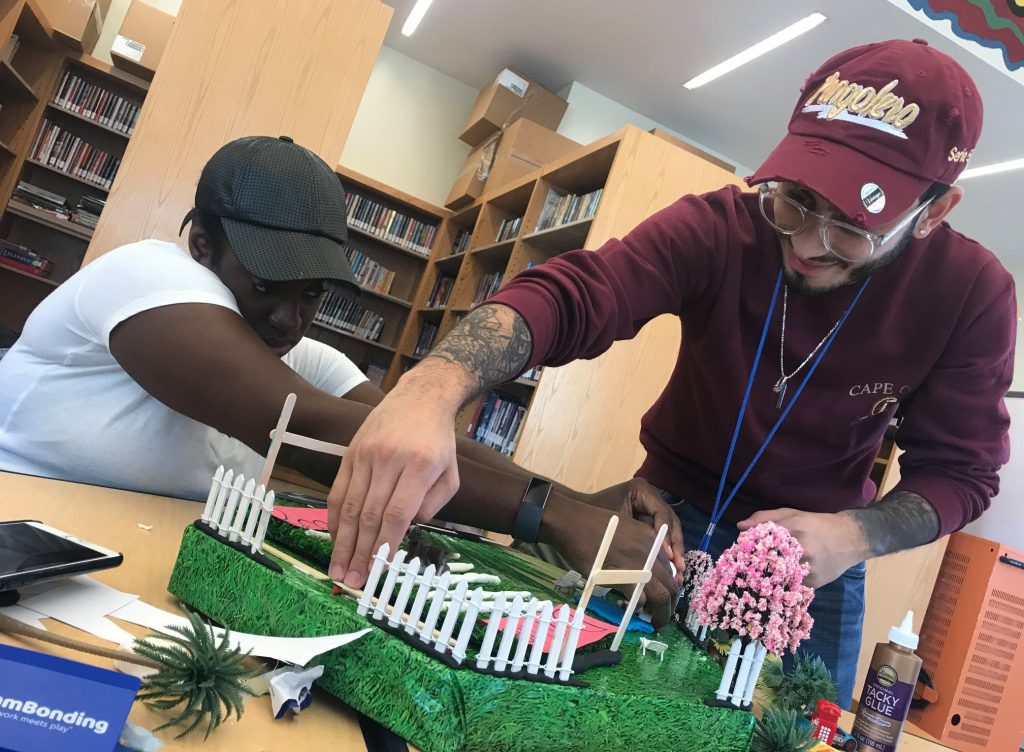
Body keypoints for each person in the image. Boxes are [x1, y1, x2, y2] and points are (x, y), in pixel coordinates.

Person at [327, 39, 1016, 706]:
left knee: (796, 728)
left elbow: (960, 474)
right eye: (796, 201)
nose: (807, 244)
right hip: (668, 518)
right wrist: (430, 388)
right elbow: (576, 295)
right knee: (593, 701)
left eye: (852, 227)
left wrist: (854, 535)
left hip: (820, 561)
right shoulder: (723, 227)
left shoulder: (972, 295)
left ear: (933, 213)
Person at [0, 135, 683, 622]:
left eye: (311, 296)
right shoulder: (148, 273)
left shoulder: (293, 353)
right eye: (268, 285)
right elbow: (308, 431)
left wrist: (579, 502)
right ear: (203, 245)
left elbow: (417, 436)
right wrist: (552, 515)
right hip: (20, 546)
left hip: (123, 573)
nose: (289, 320)